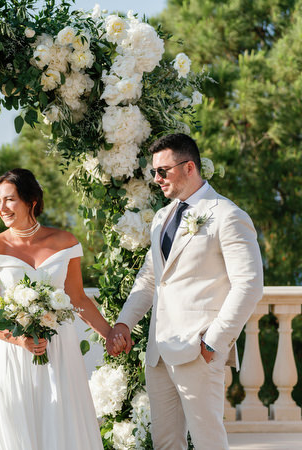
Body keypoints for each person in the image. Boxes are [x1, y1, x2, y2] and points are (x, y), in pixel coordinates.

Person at [107, 133, 264, 450]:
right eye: (154, 171)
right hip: (159, 350)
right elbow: (152, 277)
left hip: (199, 350)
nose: (156, 179)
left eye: (162, 171)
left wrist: (215, 340)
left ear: (189, 166)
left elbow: (249, 284)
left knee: (208, 440)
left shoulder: (227, 215)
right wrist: (124, 322)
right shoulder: (163, 217)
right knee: (166, 442)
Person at [0, 168, 116, 450]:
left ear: (31, 200)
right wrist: (17, 338)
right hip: (11, 351)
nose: (2, 208)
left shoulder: (65, 242)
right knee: (14, 430)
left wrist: (109, 334)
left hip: (59, 350)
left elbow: (78, 299)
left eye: (9, 199)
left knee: (61, 424)